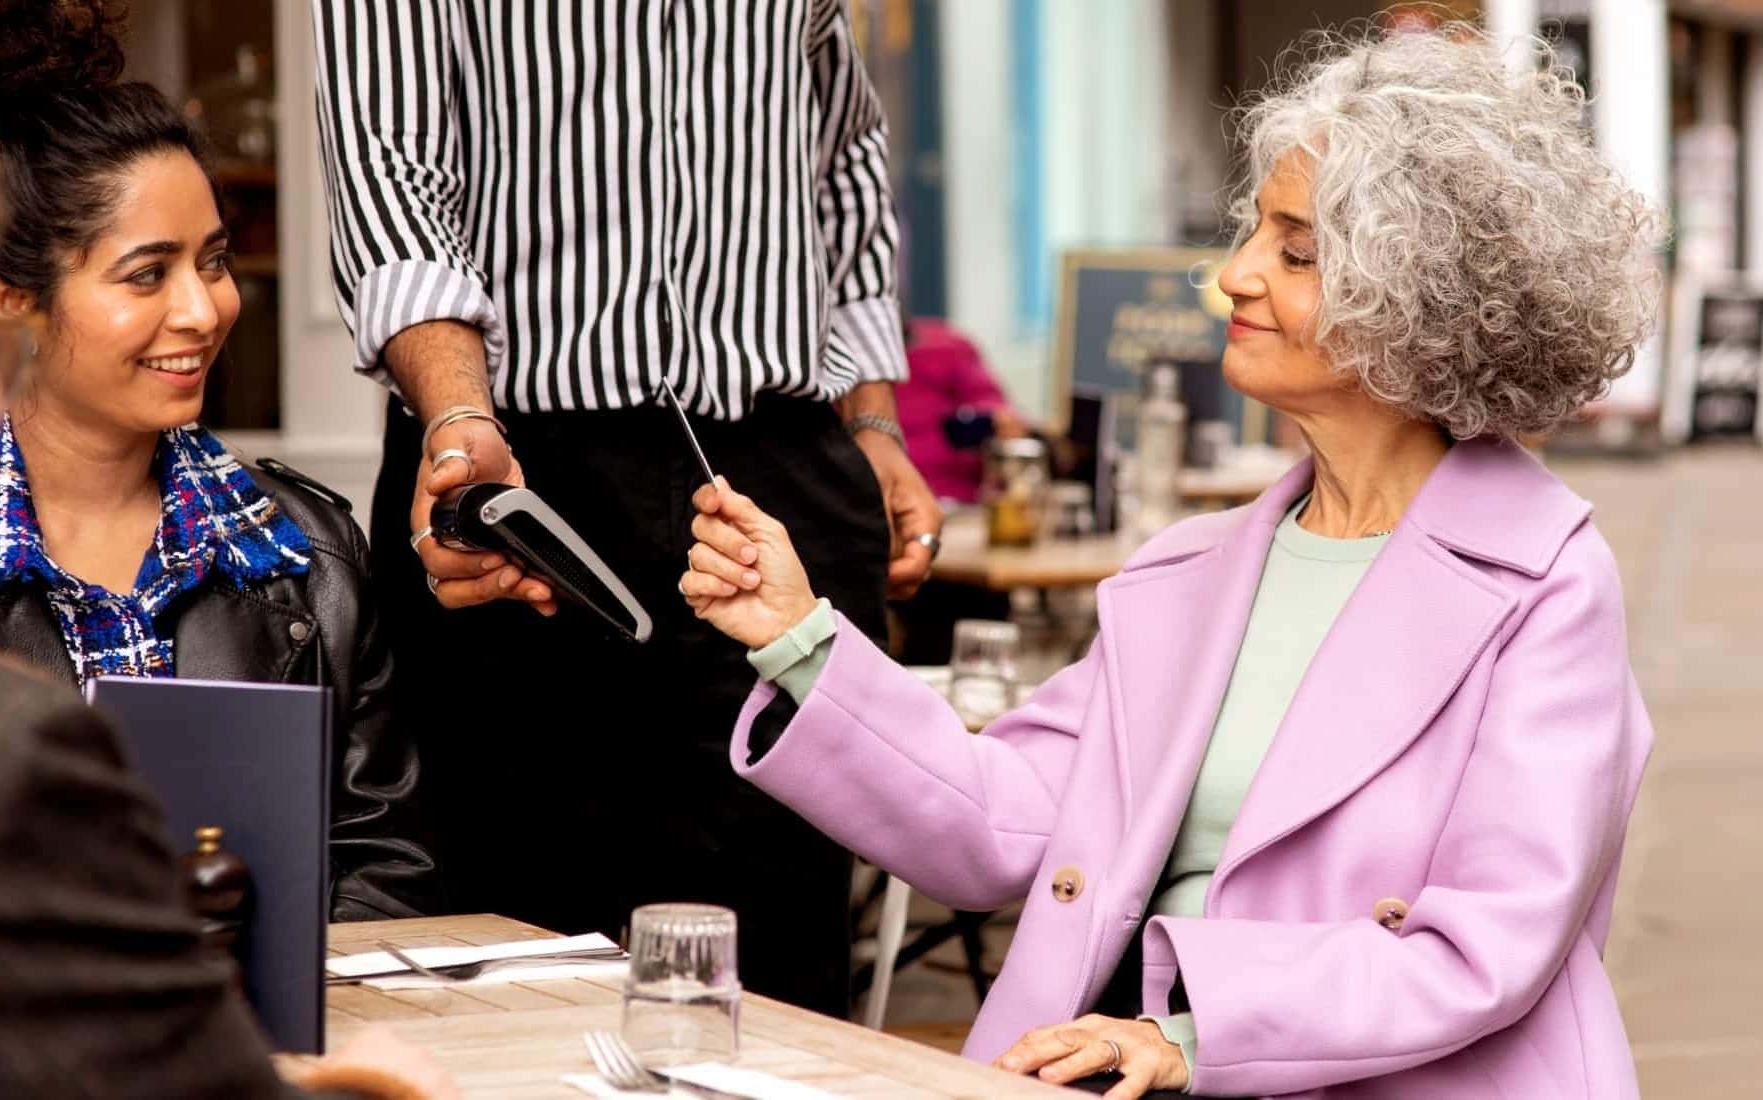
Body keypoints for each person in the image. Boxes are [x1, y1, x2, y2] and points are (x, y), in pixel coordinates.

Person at [680, 24, 1656, 1099]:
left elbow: (1487, 945)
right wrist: (801, 636)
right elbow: (1003, 818)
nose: (1230, 274)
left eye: (1294, 251)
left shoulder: (1546, 580)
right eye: (1252, 232)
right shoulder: (1190, 570)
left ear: (1415, 299)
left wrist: (1187, 1036)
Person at [313, 0, 942, 1013]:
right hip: (521, 469)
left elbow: (843, 154)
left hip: (781, 462)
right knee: (519, 937)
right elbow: (390, 167)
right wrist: (458, 413)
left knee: (779, 950)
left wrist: (874, 422)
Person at [0, 81, 453, 1100]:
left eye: (216, 260)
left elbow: (383, 864)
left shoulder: (307, 549)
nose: (206, 308)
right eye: (148, 273)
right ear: (13, 294)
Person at [899, 315, 1026, 505]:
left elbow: (990, 400)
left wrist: (998, 420)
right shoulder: (848, 365)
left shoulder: (947, 346)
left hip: (959, 499)